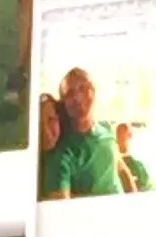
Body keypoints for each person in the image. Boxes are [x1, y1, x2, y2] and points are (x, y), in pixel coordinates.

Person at [39, 68, 122, 198]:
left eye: (83, 88)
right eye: (70, 93)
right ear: (63, 103)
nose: (77, 98)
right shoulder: (62, 153)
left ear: (94, 91)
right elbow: (60, 203)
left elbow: (121, 169)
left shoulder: (106, 129)